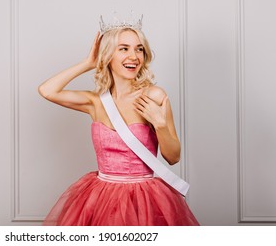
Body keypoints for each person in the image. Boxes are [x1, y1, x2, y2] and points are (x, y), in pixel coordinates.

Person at [38, 15, 199, 226]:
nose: (134, 56)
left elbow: (173, 157)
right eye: (123, 48)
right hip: (101, 197)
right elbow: (47, 90)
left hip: (145, 200)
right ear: (107, 56)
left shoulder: (154, 96)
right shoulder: (96, 102)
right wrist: (88, 63)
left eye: (139, 49)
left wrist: (160, 124)